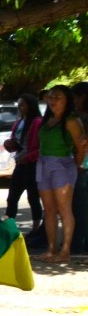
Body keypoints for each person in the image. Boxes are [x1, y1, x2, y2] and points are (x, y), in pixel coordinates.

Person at [35, 85, 85, 263]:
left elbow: (81, 148)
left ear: (67, 100)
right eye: (50, 97)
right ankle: (51, 249)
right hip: (43, 164)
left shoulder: (71, 121)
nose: (53, 101)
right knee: (48, 210)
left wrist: (75, 165)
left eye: (58, 97)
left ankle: (65, 251)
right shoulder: (47, 120)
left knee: (64, 209)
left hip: (62, 165)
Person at [3, 93, 45, 242]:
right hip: (20, 163)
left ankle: (35, 229)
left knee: (33, 197)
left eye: (23, 105)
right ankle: (9, 226)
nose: (20, 108)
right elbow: (17, 143)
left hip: (31, 164)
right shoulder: (20, 122)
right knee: (12, 197)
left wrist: (26, 157)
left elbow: (39, 147)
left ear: (30, 105)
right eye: (19, 105)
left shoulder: (37, 122)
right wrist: (10, 145)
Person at [71, 82, 88, 256]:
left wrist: (80, 163)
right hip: (81, 165)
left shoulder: (81, 118)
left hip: (82, 166)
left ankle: (79, 242)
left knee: (80, 208)